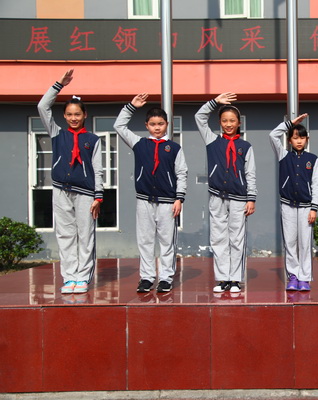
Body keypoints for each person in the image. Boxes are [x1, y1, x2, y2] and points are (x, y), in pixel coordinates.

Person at [37, 69, 103, 294]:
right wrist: (58, 85)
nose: (73, 118)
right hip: (60, 190)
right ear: (64, 116)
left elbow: (98, 169)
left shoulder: (93, 140)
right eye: (69, 114)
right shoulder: (57, 134)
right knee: (65, 235)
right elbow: (42, 107)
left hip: (85, 193)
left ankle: (83, 277)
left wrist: (98, 196)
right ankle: (69, 278)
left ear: (85, 115)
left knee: (85, 235)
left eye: (77, 114)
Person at [114, 93, 188, 293]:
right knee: (145, 241)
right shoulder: (139, 144)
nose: (157, 128)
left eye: (161, 124)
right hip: (144, 200)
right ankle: (146, 278)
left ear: (167, 125)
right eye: (153, 124)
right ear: (146, 125)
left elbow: (182, 173)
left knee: (167, 242)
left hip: (167, 202)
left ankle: (166, 278)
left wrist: (179, 198)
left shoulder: (174, 148)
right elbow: (119, 126)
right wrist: (131, 106)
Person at [195, 93, 256, 293]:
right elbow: (199, 117)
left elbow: (250, 173)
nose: (228, 124)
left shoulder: (245, 147)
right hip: (217, 196)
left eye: (232, 121)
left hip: (239, 198)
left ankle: (235, 279)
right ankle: (223, 278)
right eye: (224, 121)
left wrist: (251, 198)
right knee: (218, 238)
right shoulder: (212, 140)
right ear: (220, 122)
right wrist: (214, 102)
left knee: (237, 239)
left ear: (239, 123)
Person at [269, 114, 318, 291]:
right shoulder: (283, 155)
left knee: (305, 243)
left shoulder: (313, 159)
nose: (299, 141)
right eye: (295, 137)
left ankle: (304, 278)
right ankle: (293, 276)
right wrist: (290, 124)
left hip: (306, 208)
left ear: (307, 139)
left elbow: (317, 185)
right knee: (290, 242)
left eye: (302, 137)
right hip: (288, 206)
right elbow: (272, 135)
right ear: (289, 140)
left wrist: (314, 208)